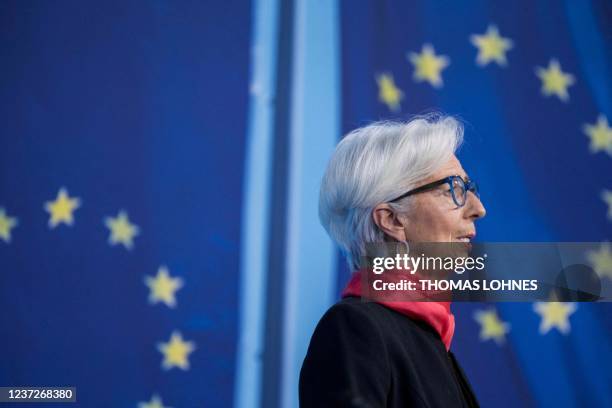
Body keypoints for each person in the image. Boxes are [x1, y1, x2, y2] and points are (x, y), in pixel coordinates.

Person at [299, 114, 486, 407]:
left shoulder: (431, 336)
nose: (478, 209)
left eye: (469, 189)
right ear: (392, 219)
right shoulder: (355, 329)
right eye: (453, 190)